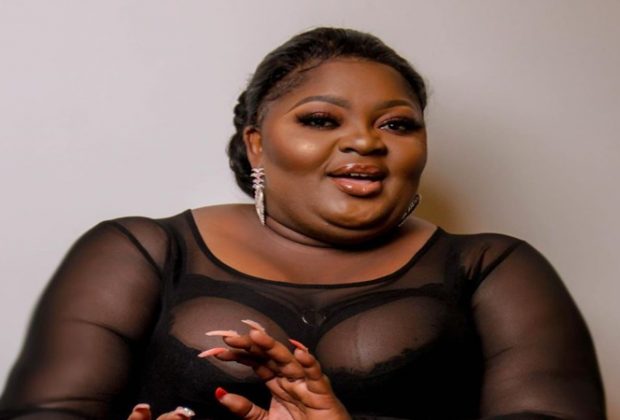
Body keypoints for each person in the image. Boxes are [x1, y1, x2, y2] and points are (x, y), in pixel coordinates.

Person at [0, 27, 606, 420]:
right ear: (257, 144)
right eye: (321, 119)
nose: (366, 141)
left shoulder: (493, 268)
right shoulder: (141, 251)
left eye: (397, 124)